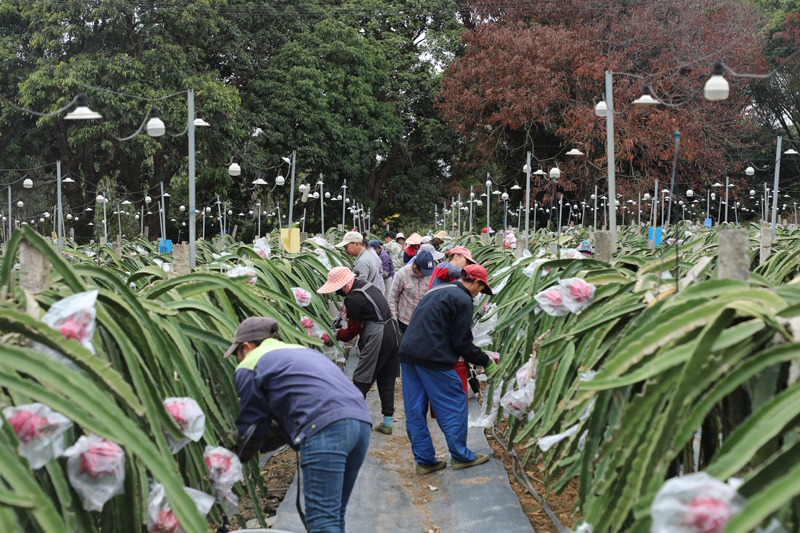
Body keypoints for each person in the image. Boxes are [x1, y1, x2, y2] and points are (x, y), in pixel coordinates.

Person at [228, 317, 371, 532]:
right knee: (334, 515)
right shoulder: (300, 352)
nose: (238, 360)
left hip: (326, 428)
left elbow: (254, 425)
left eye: (237, 353)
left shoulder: (251, 362)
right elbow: (279, 422)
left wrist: (230, 456)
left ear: (245, 347)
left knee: (323, 521)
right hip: (361, 422)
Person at [398, 265, 496, 474]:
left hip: (408, 353)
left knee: (415, 409)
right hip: (433, 358)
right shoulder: (463, 300)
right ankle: (461, 456)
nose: (479, 293)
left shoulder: (437, 290)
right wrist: (485, 361)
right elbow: (461, 341)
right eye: (481, 289)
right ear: (476, 282)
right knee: (453, 403)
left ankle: (424, 460)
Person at [318, 267, 401, 435]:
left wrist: (332, 338)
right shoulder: (366, 286)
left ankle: (356, 423)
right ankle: (387, 423)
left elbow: (352, 331)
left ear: (343, 285)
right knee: (386, 380)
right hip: (393, 334)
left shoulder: (353, 298)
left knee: (361, 380)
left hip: (379, 338)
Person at [388, 249, 434, 334]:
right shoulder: (402, 274)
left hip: (423, 322)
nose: (427, 275)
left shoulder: (430, 274)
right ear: (415, 268)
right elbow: (392, 298)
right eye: (424, 273)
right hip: (405, 323)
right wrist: (394, 322)